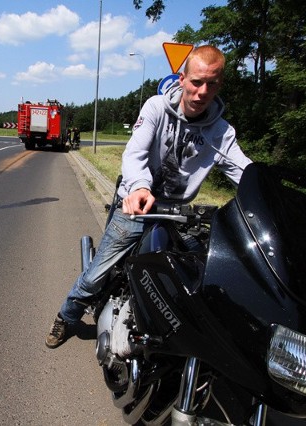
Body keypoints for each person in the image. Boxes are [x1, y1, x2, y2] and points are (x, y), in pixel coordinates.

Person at [46, 45, 252, 348]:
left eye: (211, 84)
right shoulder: (157, 107)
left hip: (175, 213)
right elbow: (135, 153)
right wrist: (140, 187)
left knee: (193, 280)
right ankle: (66, 317)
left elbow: (244, 171)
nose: (201, 92)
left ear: (220, 85)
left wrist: (273, 197)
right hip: (136, 206)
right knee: (96, 276)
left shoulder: (221, 131)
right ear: (182, 79)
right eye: (196, 82)